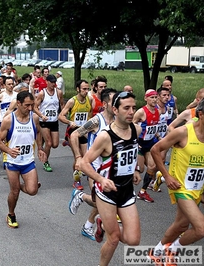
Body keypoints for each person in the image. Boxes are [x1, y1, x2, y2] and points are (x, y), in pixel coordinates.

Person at [78, 91, 142, 266]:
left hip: (127, 189)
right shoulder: (105, 136)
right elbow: (84, 163)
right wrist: (101, 179)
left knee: (133, 240)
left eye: (133, 108)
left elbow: (131, 152)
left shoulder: (136, 129)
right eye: (126, 108)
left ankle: (103, 224)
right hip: (107, 192)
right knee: (113, 239)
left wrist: (135, 169)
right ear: (115, 109)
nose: (131, 112)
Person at [149, 98, 204, 264]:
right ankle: (171, 251)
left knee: (181, 225)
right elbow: (155, 149)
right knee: (201, 229)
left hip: (198, 187)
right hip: (180, 186)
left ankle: (156, 252)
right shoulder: (183, 132)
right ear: (201, 114)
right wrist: (166, 176)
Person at [69, 88, 117, 241]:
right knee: (101, 201)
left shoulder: (118, 121)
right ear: (104, 104)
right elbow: (74, 134)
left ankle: (88, 225)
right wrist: (78, 157)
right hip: (94, 167)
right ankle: (82, 198)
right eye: (113, 101)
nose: (117, 104)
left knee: (102, 201)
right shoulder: (96, 121)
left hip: (110, 168)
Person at [0, 91, 47, 228]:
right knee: (15, 192)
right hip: (12, 162)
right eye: (27, 105)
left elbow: (37, 132)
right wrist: (8, 150)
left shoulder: (34, 118)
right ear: (18, 103)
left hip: (28, 161)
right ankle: (11, 214)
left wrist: (40, 149)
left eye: (32, 105)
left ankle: (28, 185)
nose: (30, 108)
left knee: (32, 191)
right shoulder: (9, 120)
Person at [59, 79, 93, 190]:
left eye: (87, 89)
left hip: (83, 131)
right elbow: (61, 116)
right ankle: (76, 181)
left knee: (85, 156)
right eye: (84, 89)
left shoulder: (90, 99)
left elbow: (90, 116)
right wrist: (70, 122)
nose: (86, 91)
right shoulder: (72, 101)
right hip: (73, 132)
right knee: (77, 158)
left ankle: (68, 143)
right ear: (78, 89)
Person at [132, 89, 160, 203]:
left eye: (155, 97)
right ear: (146, 98)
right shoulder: (140, 112)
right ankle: (127, 189)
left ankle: (142, 192)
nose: (154, 99)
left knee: (152, 167)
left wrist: (158, 136)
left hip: (150, 144)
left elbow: (154, 127)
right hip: (140, 144)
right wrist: (134, 142)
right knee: (141, 169)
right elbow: (132, 126)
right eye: (151, 97)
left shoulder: (158, 111)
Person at [34, 74, 64, 172]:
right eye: (51, 82)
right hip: (44, 121)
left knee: (55, 144)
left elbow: (62, 104)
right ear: (47, 82)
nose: (53, 84)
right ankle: (46, 162)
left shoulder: (58, 92)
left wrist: (63, 114)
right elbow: (34, 107)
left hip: (54, 121)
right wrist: (41, 115)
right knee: (49, 143)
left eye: (54, 82)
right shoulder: (42, 93)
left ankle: (41, 143)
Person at [0, 76, 18, 162]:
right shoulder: (1, 96)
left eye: (12, 84)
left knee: (12, 140)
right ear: (4, 85)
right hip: (4, 121)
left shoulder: (17, 95)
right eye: (9, 84)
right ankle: (6, 160)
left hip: (15, 120)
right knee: (5, 140)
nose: (11, 86)